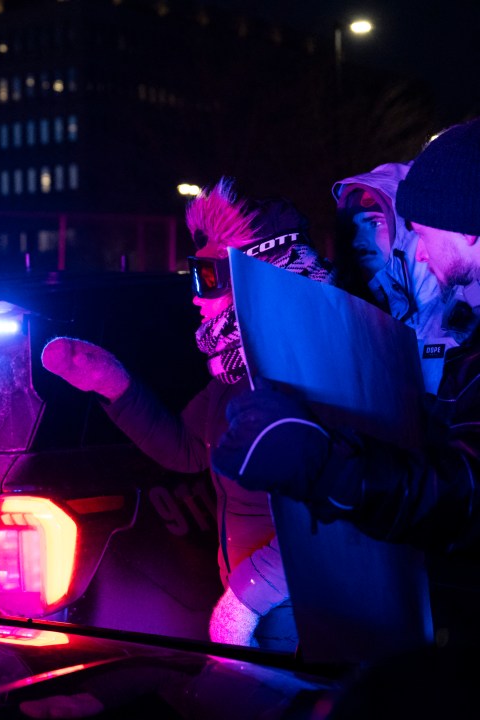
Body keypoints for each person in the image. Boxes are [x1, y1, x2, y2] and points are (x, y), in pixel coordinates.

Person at [40, 178, 337, 650]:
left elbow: (329, 514)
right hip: (264, 610)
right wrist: (114, 385)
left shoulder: (311, 368)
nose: (196, 298)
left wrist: (246, 600)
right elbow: (186, 448)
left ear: (260, 281)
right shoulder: (233, 373)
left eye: (209, 278)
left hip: (303, 613)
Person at [211, 117, 479, 558]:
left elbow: (464, 490)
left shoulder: (458, 321)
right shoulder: (377, 310)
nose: (420, 248)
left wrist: (326, 465)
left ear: (464, 220)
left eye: (423, 231)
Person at [332, 161, 462, 394]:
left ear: (406, 227)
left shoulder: (464, 313)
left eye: (374, 223)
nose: (358, 240)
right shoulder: (364, 312)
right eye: (352, 228)